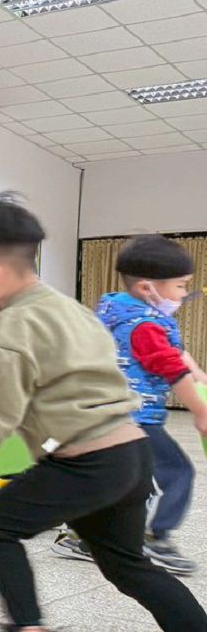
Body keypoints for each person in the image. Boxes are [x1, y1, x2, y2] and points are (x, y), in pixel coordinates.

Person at [0, 196, 207, 632]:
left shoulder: (8, 332)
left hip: (85, 461)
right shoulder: (70, 310)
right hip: (130, 453)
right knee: (126, 564)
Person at [89, 234, 207, 575]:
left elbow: (176, 352)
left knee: (122, 480)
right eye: (180, 286)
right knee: (177, 473)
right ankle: (157, 536)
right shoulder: (145, 325)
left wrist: (199, 375)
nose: (184, 294)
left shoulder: (126, 313)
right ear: (146, 287)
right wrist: (201, 411)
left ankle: (82, 535)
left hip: (113, 413)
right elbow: (170, 367)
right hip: (135, 417)